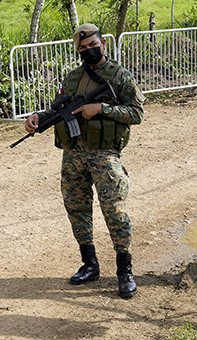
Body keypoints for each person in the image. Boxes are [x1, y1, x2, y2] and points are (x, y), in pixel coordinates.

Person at [24, 23, 145, 298]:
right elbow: (59, 108)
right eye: (83, 48)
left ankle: (124, 271)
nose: (89, 51)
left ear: (103, 44)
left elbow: (137, 113)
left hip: (104, 155)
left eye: (93, 45)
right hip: (73, 154)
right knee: (77, 208)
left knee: (114, 210)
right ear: (77, 50)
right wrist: (37, 119)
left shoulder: (120, 76)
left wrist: (102, 108)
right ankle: (89, 264)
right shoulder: (73, 78)